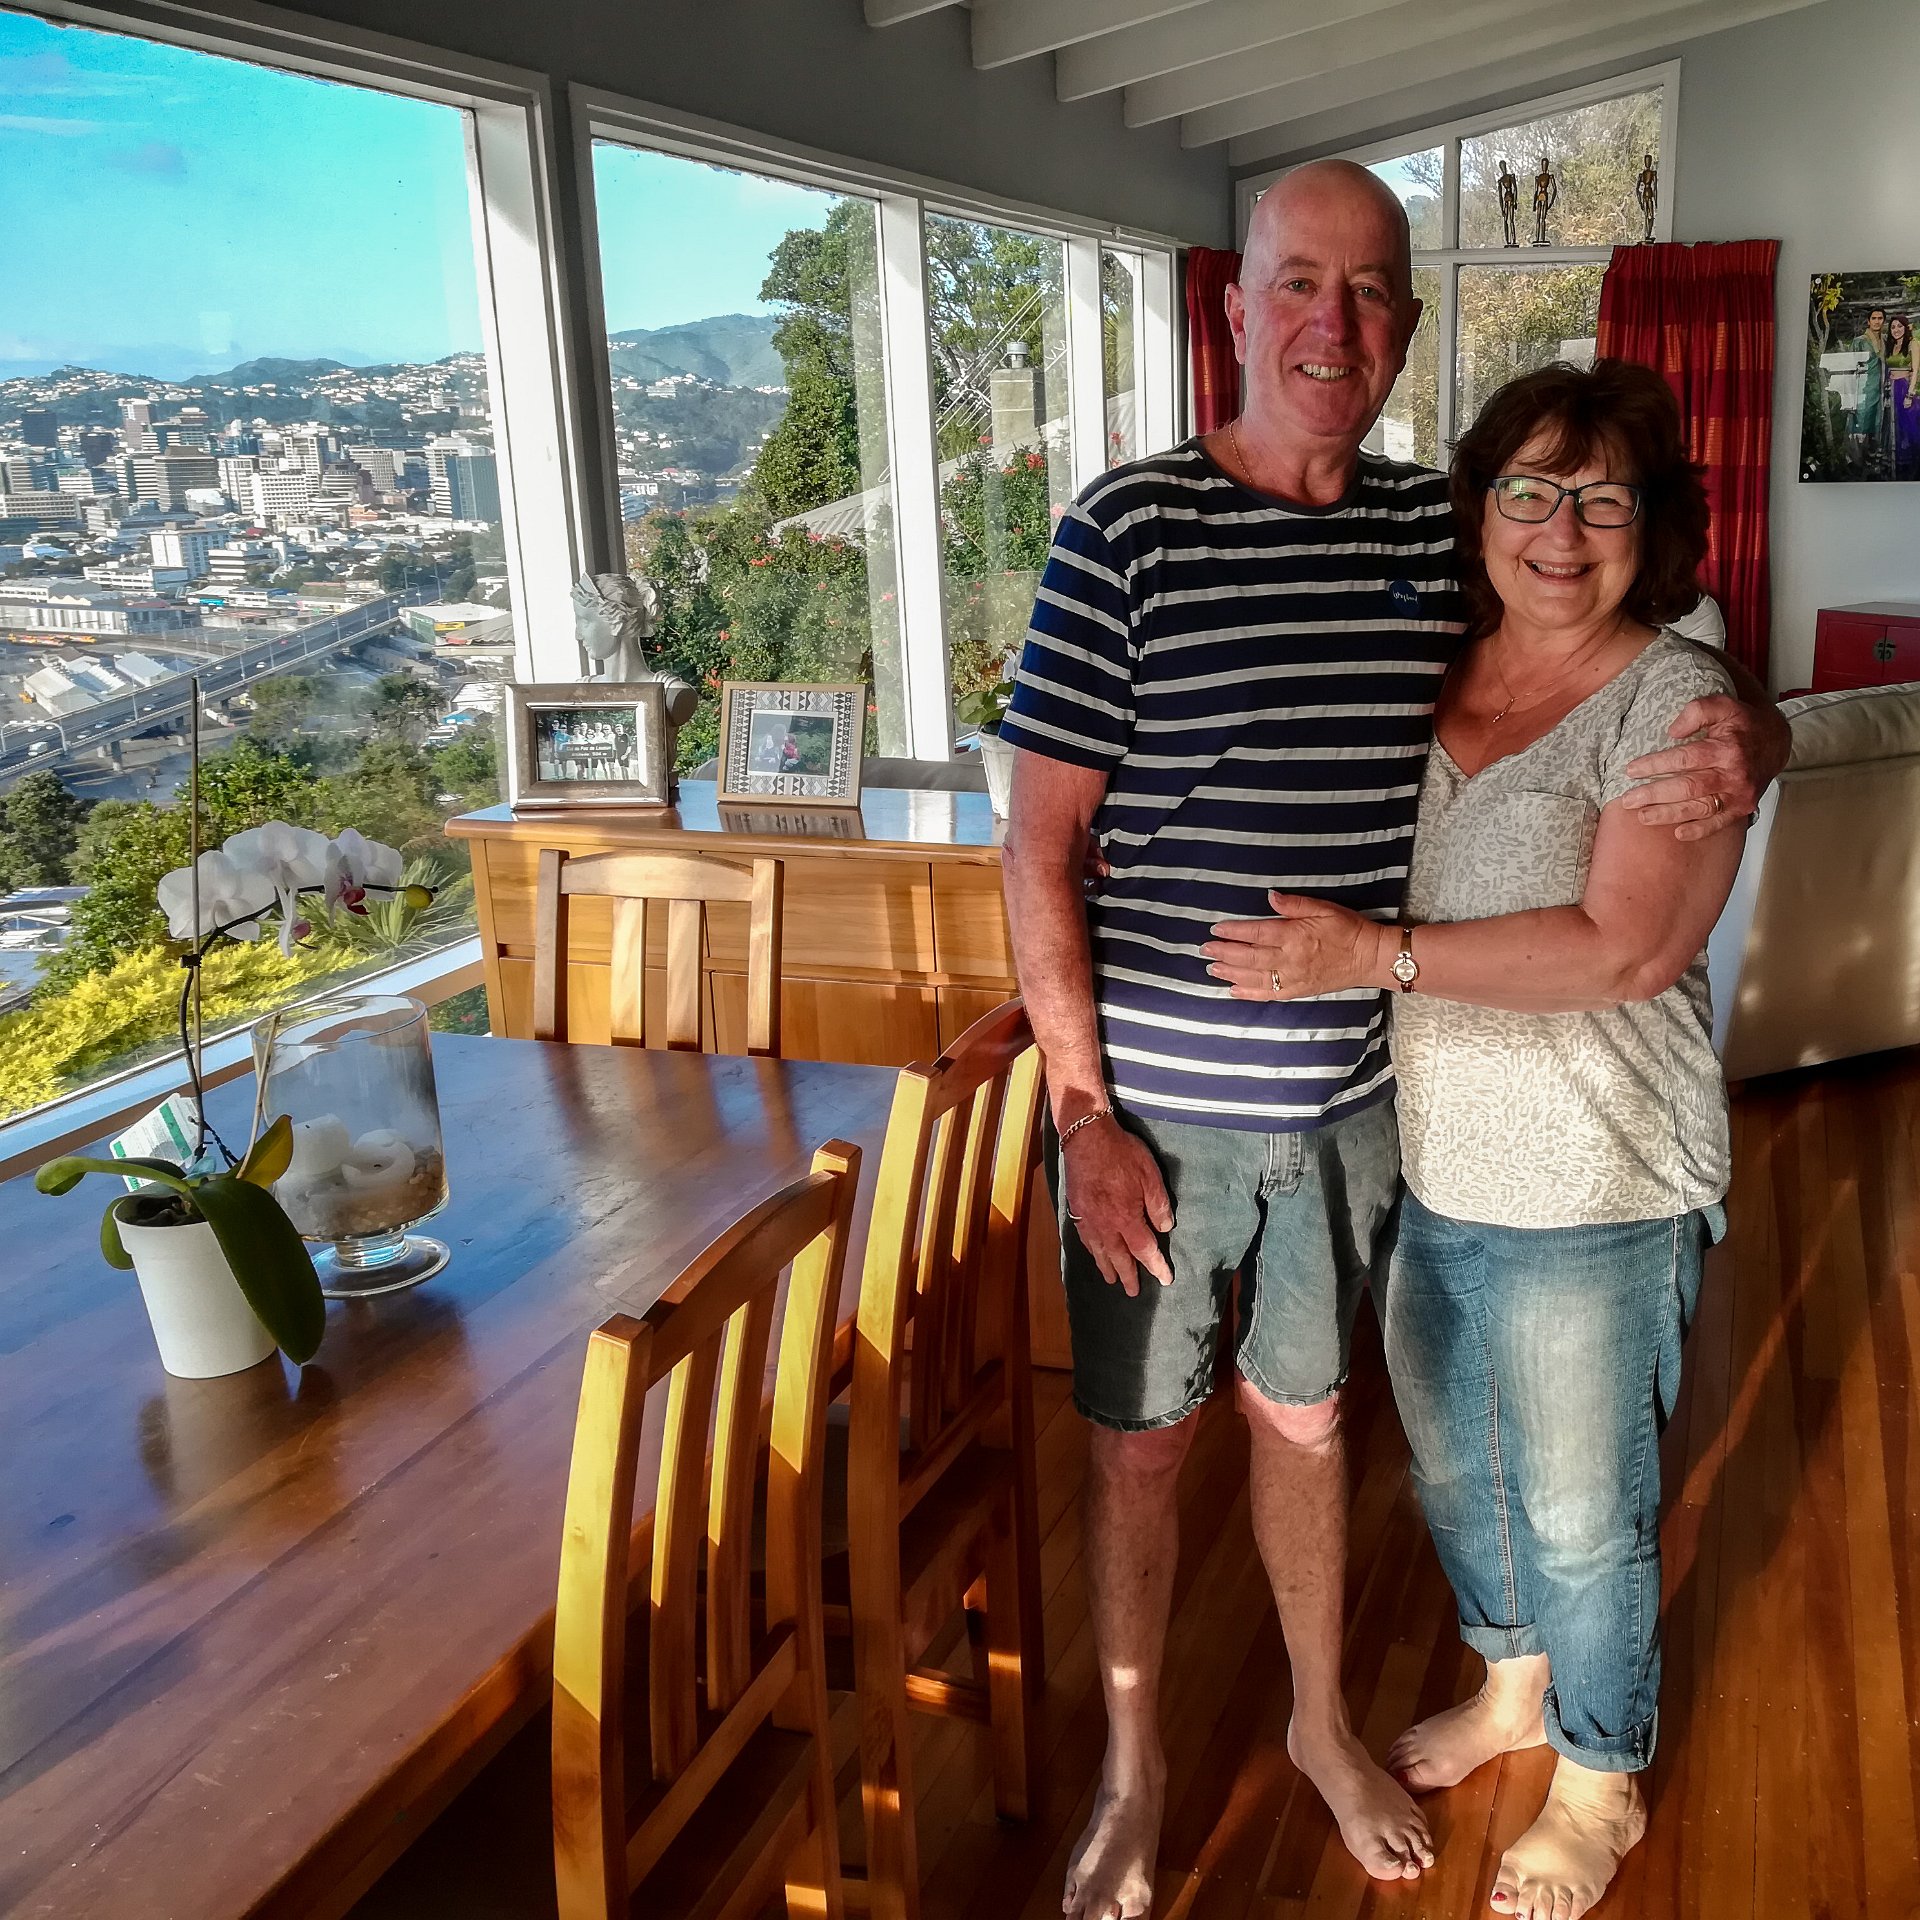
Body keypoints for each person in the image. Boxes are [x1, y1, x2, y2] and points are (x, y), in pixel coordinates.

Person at [996, 158, 1788, 1920]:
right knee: (1139, 1448)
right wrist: (1081, 1113)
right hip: (1159, 1123)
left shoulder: (1436, 531)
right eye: (1299, 282)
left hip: (1369, 1110)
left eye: (1368, 291)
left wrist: (1764, 727)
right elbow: (1036, 845)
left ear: (1408, 325)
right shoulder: (1127, 530)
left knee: (1310, 1425)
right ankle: (1135, 1773)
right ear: (1236, 305)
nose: (1331, 323)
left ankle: (1318, 1724)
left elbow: (1627, 630)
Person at [1207, 359, 1741, 1919]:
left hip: (1600, 1179)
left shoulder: (1677, 704)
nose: (1561, 531)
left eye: (1602, 499)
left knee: (1586, 1517)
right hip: (1439, 1165)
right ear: (1479, 509)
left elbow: (1625, 949)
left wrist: (1371, 956)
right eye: (1529, 491)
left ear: (1653, 525)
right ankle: (1513, 1688)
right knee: (1462, 1476)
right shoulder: (1440, 662)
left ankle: (1602, 1775)